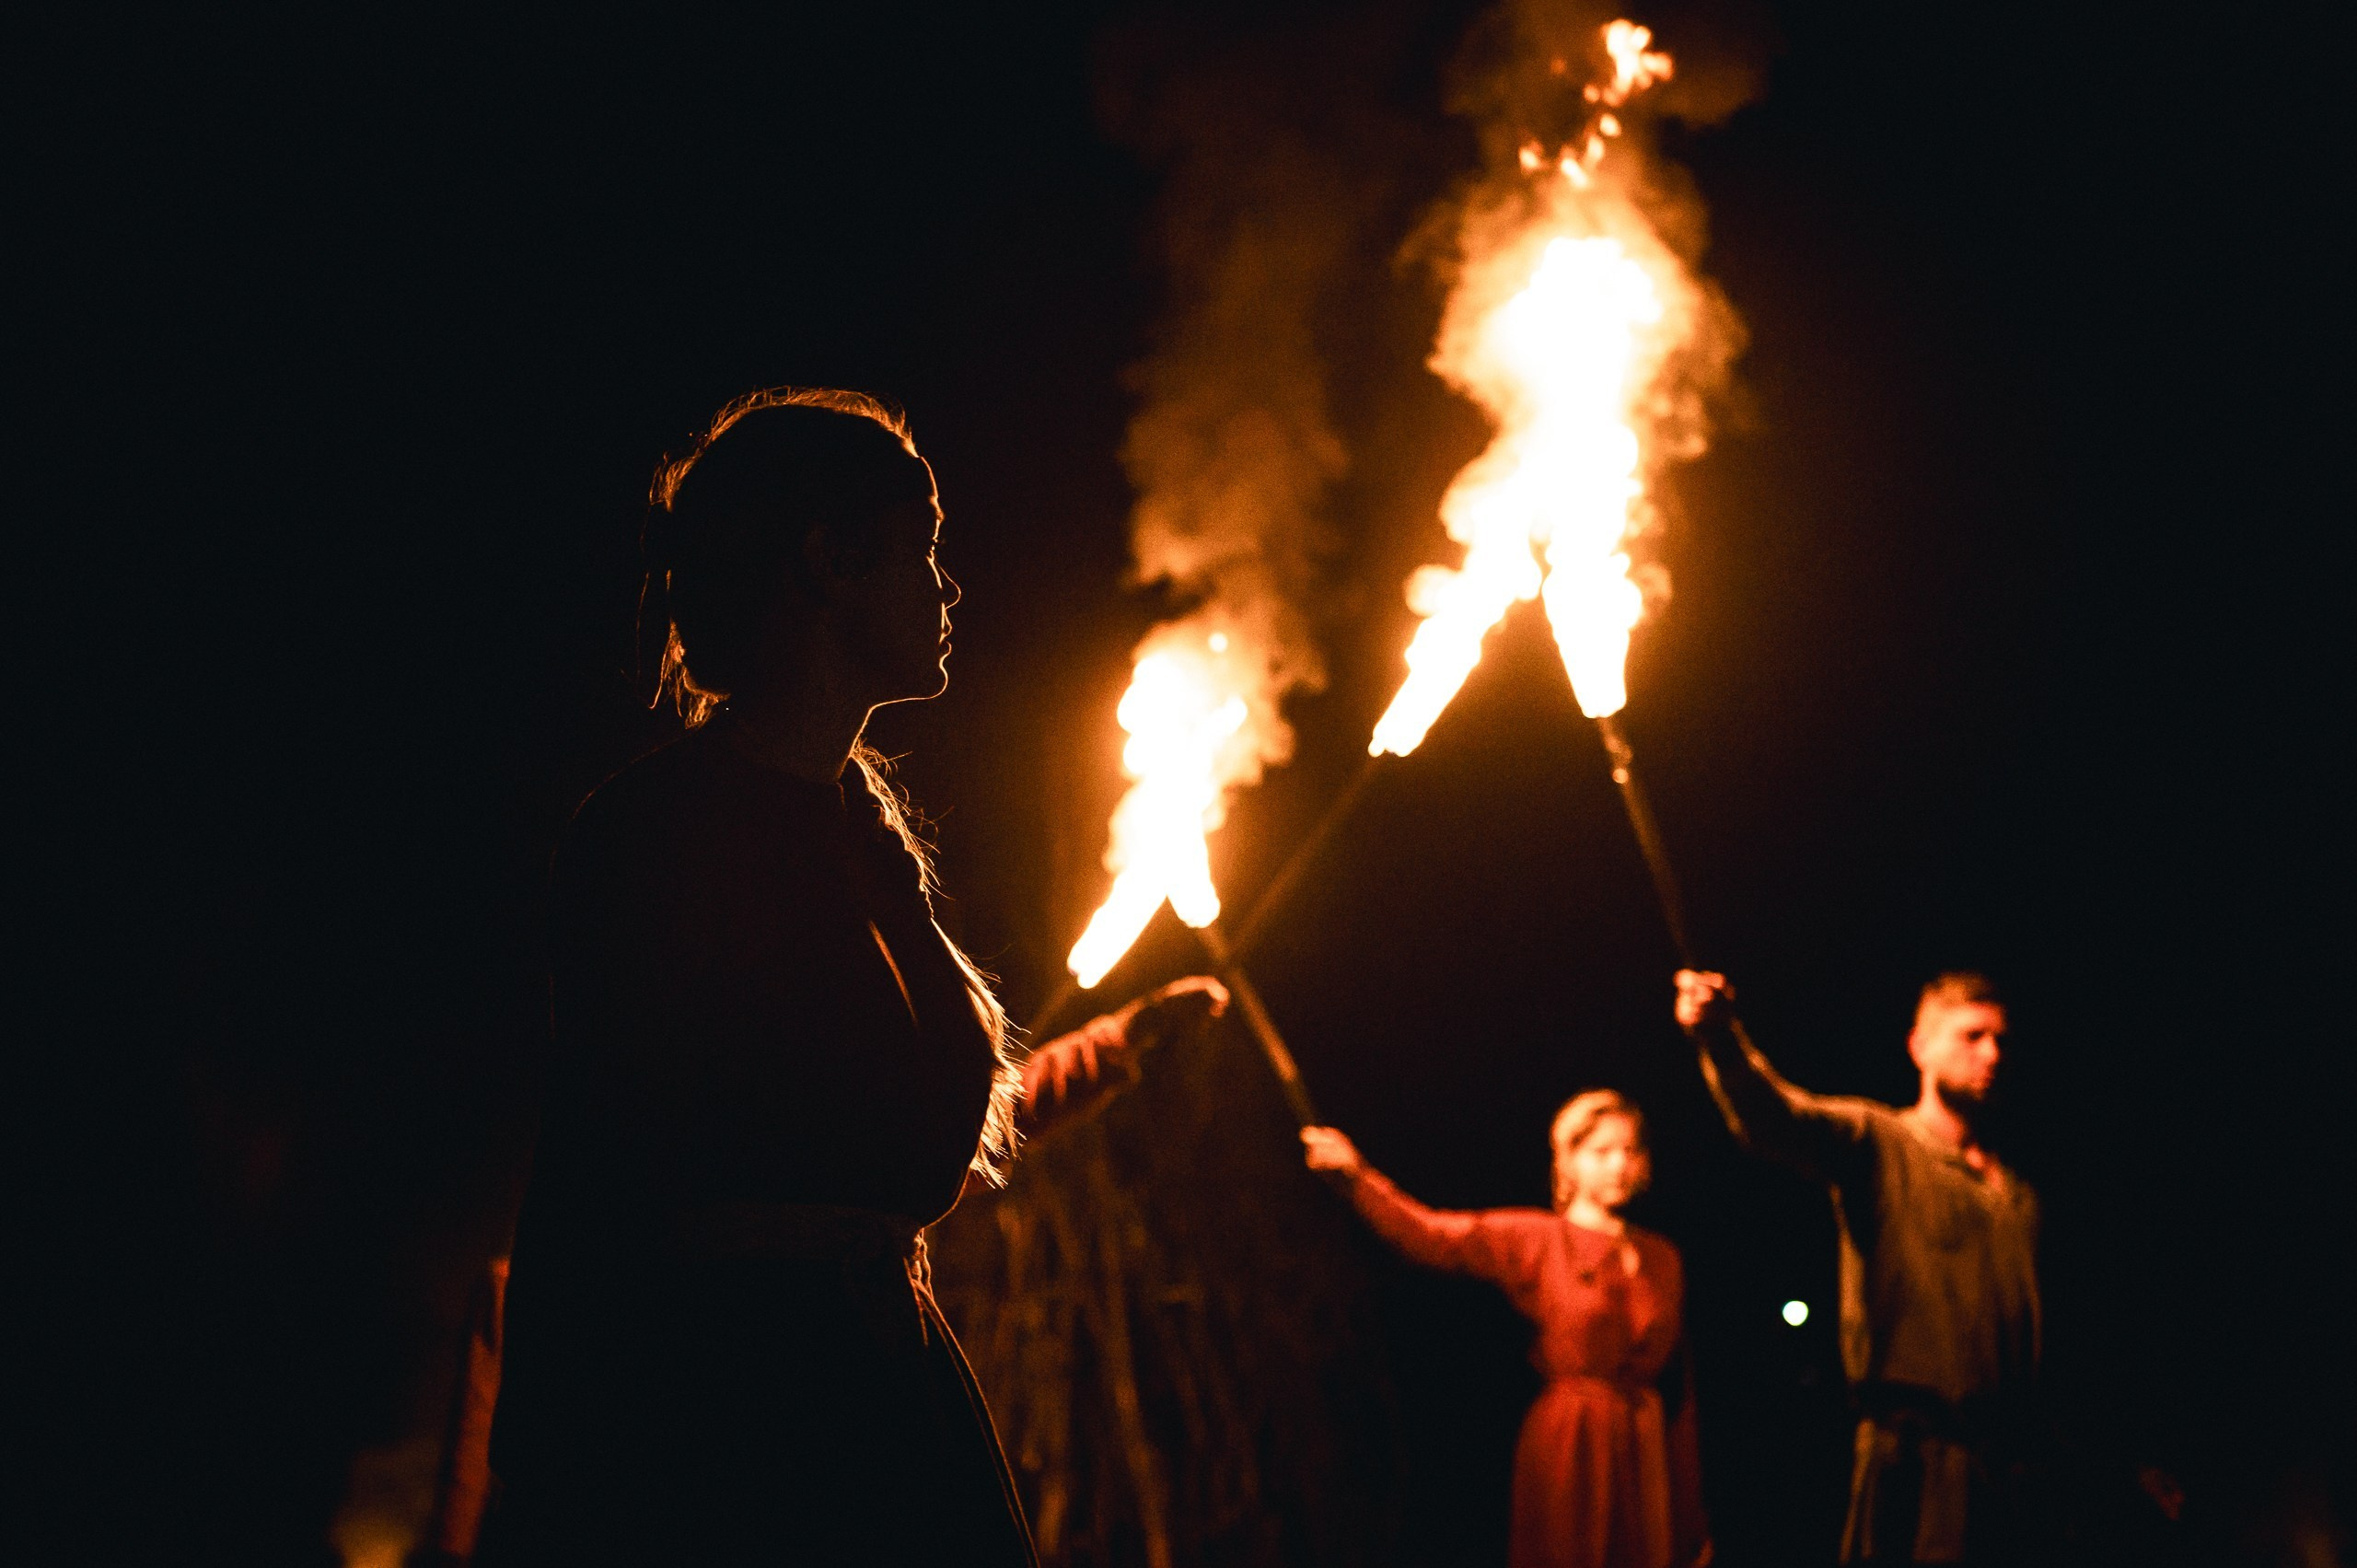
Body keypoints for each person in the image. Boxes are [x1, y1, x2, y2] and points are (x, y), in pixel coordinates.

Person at [477, 388, 1223, 1566]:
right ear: (828, 562)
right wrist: (551, 1469)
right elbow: (602, 1156)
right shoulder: (659, 834)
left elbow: (928, 1140)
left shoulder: (855, 837)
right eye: (923, 549)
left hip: (866, 1384)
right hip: (735, 1422)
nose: (948, 588)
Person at [1674, 969, 2038, 1564]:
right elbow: (1776, 1116)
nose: (1992, 1053)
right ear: (1919, 1044)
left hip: (2011, 1476)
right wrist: (1720, 1038)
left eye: (2001, 1039)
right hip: (1912, 1464)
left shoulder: (2016, 1194)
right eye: (1971, 1036)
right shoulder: (1880, 1140)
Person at [1301, 1093, 1709, 1568]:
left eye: (1630, 1150)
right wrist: (1358, 1177)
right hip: (1572, 1446)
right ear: (1569, 1161)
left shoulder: (1663, 1257)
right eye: (1600, 1151)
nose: (1619, 1164)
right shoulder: (1539, 1238)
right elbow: (1433, 1236)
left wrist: (1691, 1513)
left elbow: (1681, 1389)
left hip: (1644, 1452)